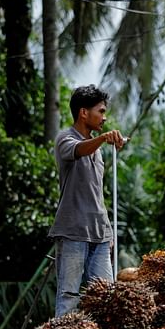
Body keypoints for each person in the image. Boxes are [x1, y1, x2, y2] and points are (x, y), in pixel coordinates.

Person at [49, 85, 125, 316]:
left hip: (100, 234)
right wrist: (102, 138)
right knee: (69, 295)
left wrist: (109, 230)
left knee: (106, 296)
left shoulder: (98, 148)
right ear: (84, 113)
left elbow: (96, 193)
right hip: (73, 231)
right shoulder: (66, 138)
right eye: (100, 111)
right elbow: (78, 150)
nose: (104, 117)